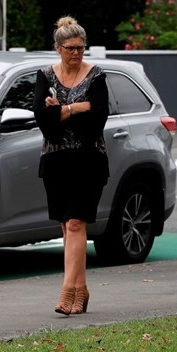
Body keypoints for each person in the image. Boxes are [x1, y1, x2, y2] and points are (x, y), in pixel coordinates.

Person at [34, 16, 110, 316]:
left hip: (89, 160)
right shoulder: (44, 75)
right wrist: (79, 107)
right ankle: (82, 289)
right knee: (67, 227)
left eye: (81, 48)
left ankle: (67, 292)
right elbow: (44, 123)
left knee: (77, 223)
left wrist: (61, 111)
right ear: (58, 48)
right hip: (54, 161)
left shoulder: (97, 76)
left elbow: (97, 122)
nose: (76, 53)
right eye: (70, 48)